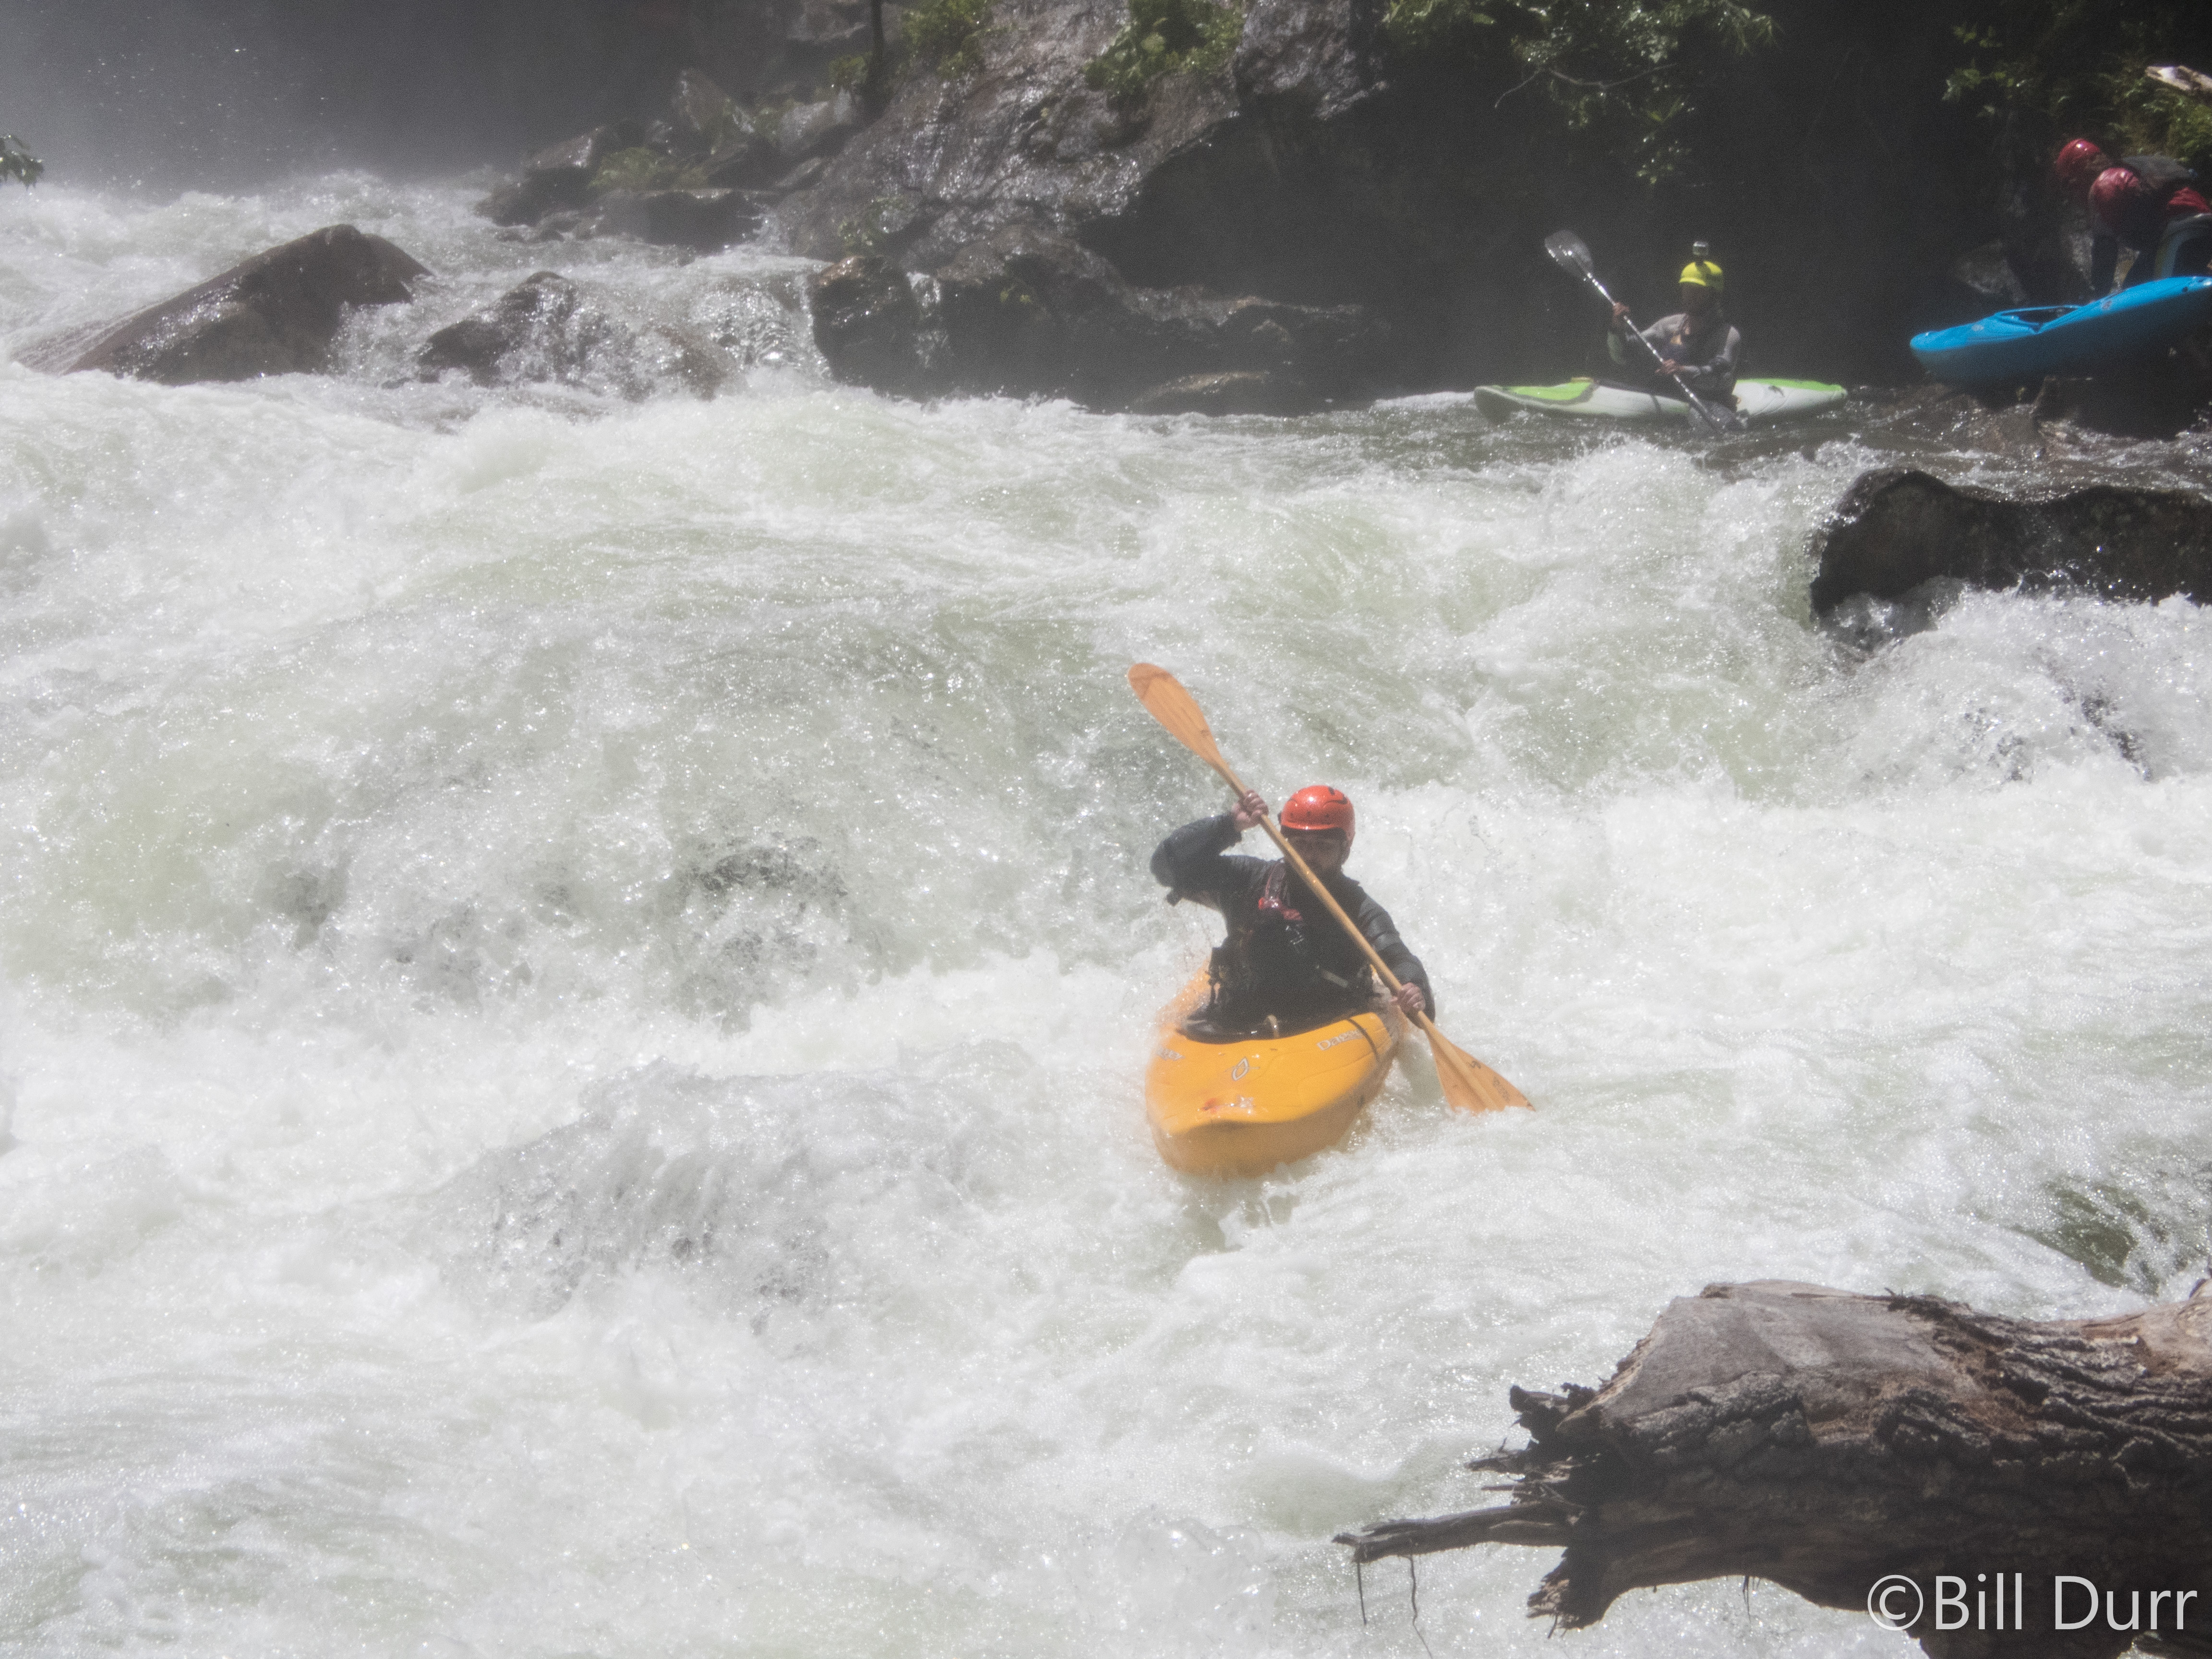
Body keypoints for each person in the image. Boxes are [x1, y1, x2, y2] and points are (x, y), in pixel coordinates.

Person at [1151, 784, 1434, 1038]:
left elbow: (1400, 959)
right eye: (1299, 844)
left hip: (1321, 1026)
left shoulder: (1358, 909)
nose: (1309, 856)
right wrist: (1229, 825)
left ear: (1345, 849)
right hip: (1239, 1016)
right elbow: (1166, 869)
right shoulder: (1249, 880)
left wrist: (1413, 989)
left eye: (1323, 847)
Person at [2053, 139, 2212, 290]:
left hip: (2180, 231)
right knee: (2133, 286)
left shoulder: (2103, 185)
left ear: (2081, 172)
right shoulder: (2130, 171)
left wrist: (2099, 297)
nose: (2073, 195)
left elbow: (2105, 254)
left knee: (2162, 300)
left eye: (2070, 186)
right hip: (2198, 224)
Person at [1606, 250, 1741, 402]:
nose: (1691, 297)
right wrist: (1618, 328)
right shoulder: (1669, 326)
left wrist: (1684, 371)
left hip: (1707, 403)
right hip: (1671, 402)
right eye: (1688, 289)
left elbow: (1722, 376)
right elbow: (1622, 356)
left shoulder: (1728, 335)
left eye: (1699, 292)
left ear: (1715, 296)